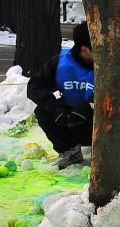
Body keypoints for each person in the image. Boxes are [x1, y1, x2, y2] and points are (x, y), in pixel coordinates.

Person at [27, 22, 94, 169]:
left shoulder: (112, 64)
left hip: (98, 120)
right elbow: (35, 86)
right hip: (70, 120)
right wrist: (55, 108)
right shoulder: (61, 62)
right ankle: (70, 151)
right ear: (85, 49)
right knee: (42, 111)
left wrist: (89, 106)